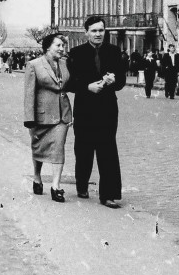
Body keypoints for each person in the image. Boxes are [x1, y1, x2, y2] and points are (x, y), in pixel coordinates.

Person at [66, 15, 126, 208]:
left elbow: (122, 81)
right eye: (94, 31)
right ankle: (81, 184)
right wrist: (87, 87)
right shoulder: (76, 53)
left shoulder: (114, 52)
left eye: (101, 30)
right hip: (84, 108)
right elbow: (70, 83)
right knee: (83, 149)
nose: (98, 34)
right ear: (86, 33)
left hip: (107, 108)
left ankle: (108, 194)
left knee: (107, 149)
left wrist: (113, 80)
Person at [23, 33, 73, 203]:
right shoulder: (34, 65)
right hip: (41, 116)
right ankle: (37, 177)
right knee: (38, 148)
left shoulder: (65, 64)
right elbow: (29, 93)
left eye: (63, 46)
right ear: (47, 47)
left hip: (62, 114)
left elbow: (70, 84)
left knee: (58, 148)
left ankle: (55, 186)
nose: (62, 49)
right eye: (58, 45)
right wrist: (29, 118)